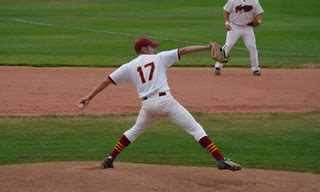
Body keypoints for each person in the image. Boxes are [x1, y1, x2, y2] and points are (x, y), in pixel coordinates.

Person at [78, 37, 241, 171]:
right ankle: (220, 160)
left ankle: (109, 158)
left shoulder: (128, 67)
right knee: (195, 128)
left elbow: (107, 80)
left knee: (134, 131)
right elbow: (183, 51)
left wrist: (89, 97)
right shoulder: (159, 58)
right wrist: (206, 47)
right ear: (144, 49)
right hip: (165, 102)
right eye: (152, 47)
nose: (154, 49)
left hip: (148, 107)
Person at [214, 0, 264, 76]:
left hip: (248, 27)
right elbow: (226, 11)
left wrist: (259, 21)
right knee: (228, 45)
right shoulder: (233, 1)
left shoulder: (254, 1)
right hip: (234, 26)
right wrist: (227, 23)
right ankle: (218, 66)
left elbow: (259, 13)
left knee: (252, 47)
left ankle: (255, 69)